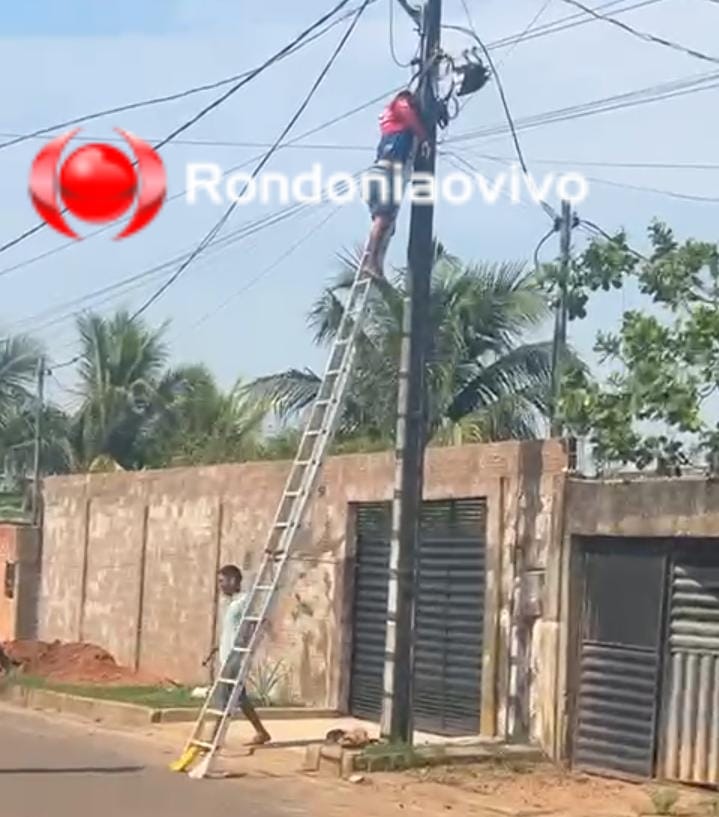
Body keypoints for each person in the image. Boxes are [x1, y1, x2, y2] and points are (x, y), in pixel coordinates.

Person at [362, 91, 429, 279]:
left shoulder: (391, 125)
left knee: (387, 225)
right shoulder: (400, 106)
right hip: (383, 175)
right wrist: (424, 137)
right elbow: (406, 110)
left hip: (378, 176)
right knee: (383, 220)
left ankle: (375, 264)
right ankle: (370, 262)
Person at [209, 564, 271, 746]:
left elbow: (255, 623)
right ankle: (261, 732)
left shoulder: (244, 601)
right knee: (240, 698)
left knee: (222, 697)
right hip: (227, 656)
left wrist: (247, 645)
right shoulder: (232, 603)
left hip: (235, 658)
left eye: (222, 581)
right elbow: (232, 629)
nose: (220, 586)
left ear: (233, 580)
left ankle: (213, 738)